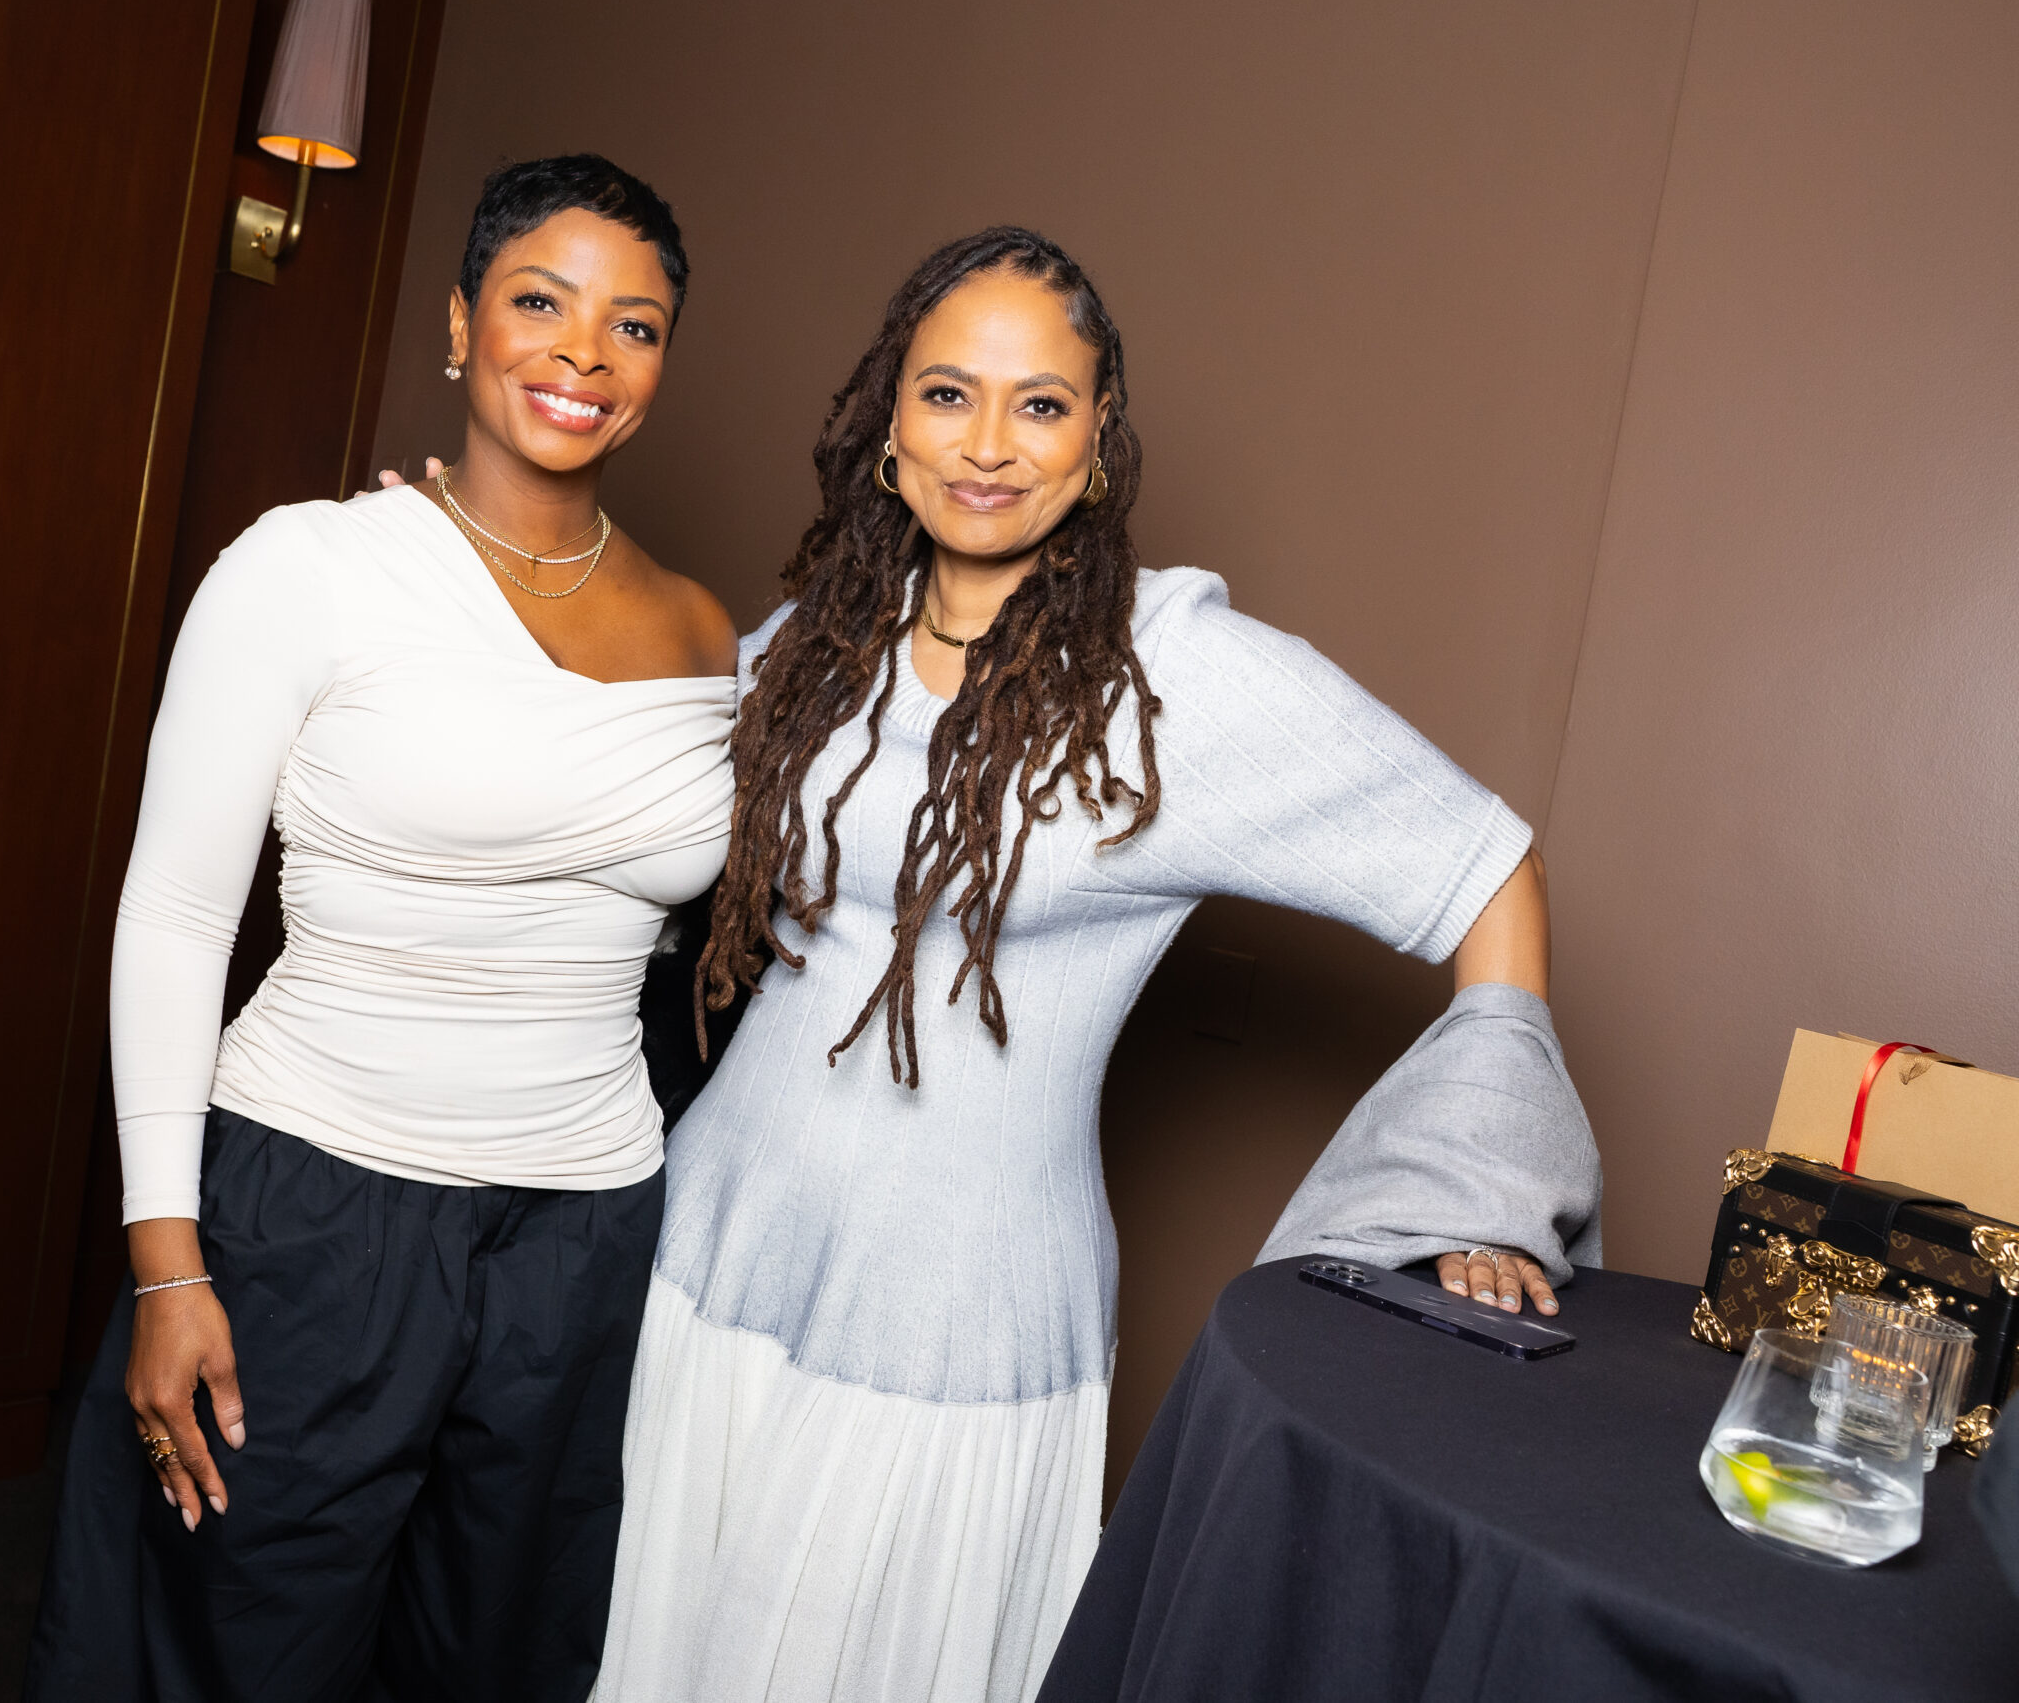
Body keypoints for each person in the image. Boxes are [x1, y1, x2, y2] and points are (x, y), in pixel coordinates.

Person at [591, 227, 1597, 1703]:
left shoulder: (1179, 681)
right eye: (948, 395)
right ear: (889, 422)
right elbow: (624, 799)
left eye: (1041, 404)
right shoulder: (818, 642)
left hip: (956, 1309)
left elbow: (1484, 870)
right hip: (714, 1249)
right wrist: (480, 567)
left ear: (1100, 437)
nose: (989, 445)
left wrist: (1486, 1189)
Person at [25, 154, 737, 1703]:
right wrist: (165, 1264)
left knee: (494, 1656)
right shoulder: (311, 570)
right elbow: (175, 917)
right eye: (540, 302)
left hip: (587, 1227)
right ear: (461, 327)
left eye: (637, 324)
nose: (584, 352)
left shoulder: (702, 629)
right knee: (237, 1642)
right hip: (320, 1207)